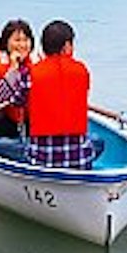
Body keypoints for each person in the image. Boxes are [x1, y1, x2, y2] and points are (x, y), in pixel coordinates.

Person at [22, 18, 92, 164]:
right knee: (97, 142)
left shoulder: (30, 73)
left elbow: (19, 100)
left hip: (41, 160)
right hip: (79, 160)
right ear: (67, 46)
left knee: (8, 145)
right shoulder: (82, 70)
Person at [0, 18, 34, 139]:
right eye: (17, 40)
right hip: (0, 118)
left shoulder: (35, 63)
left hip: (27, 119)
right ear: (6, 42)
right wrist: (13, 69)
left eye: (26, 40)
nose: (22, 45)